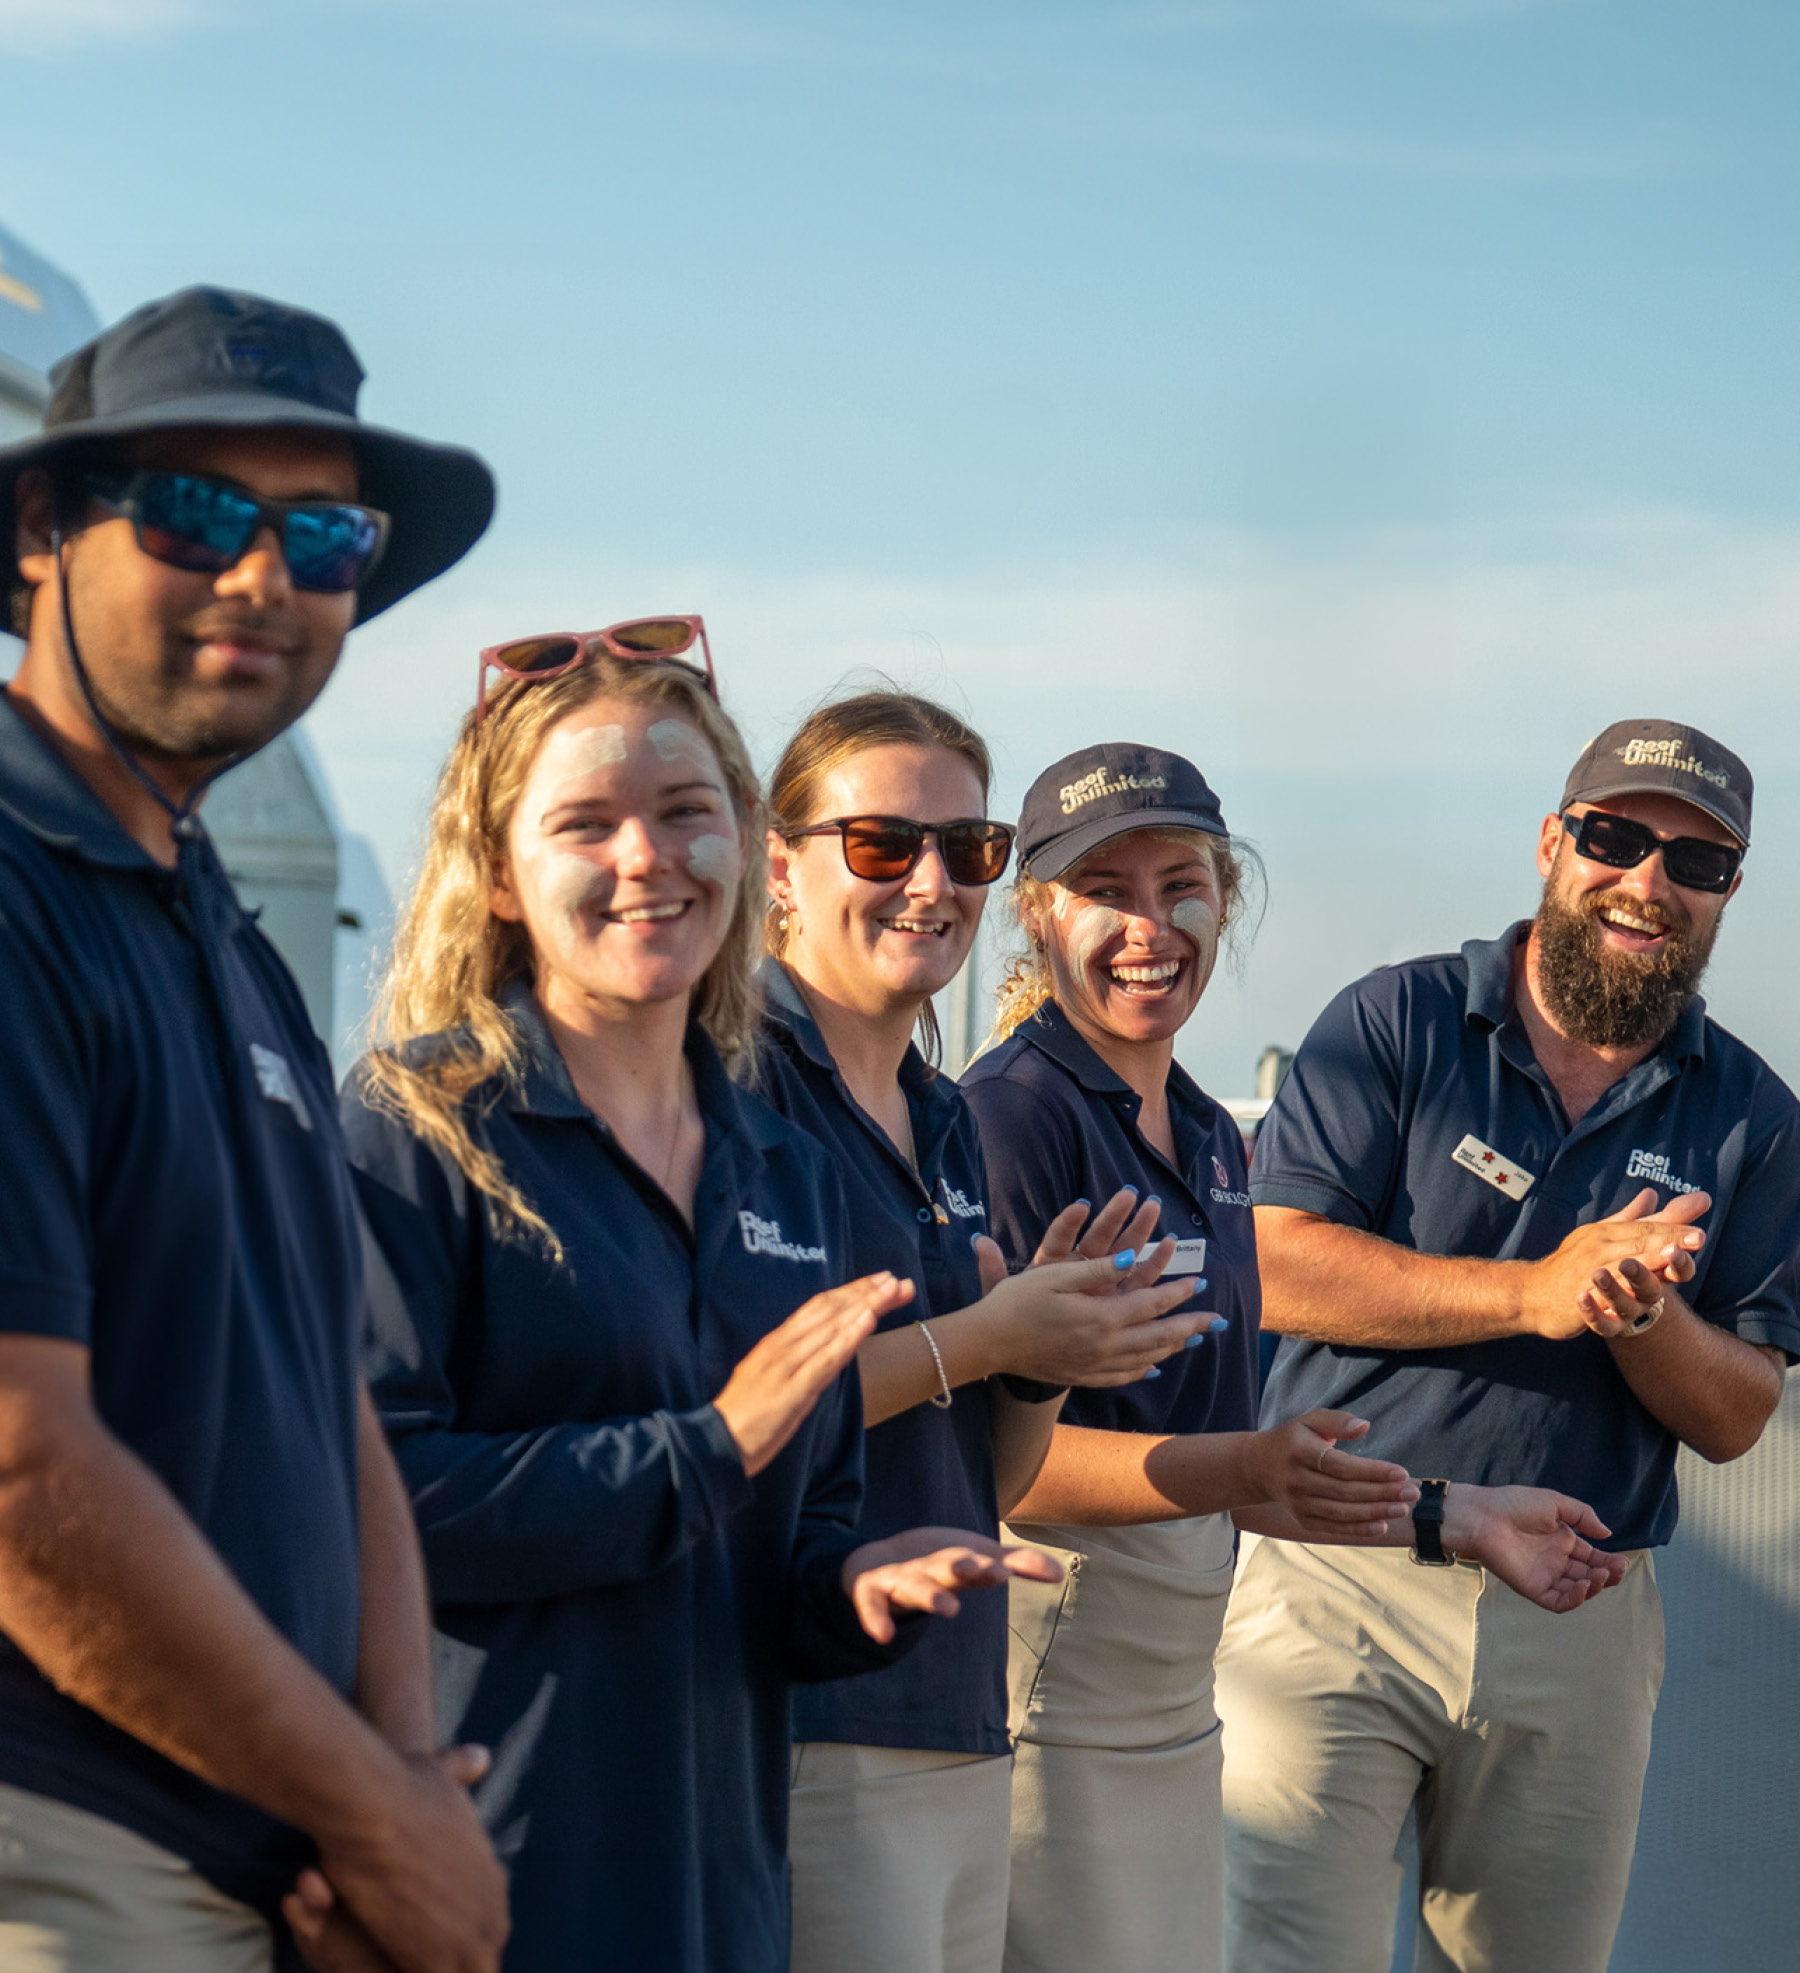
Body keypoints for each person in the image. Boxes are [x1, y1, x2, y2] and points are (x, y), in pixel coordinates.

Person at [341, 638, 1053, 1973]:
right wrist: (707, 1446)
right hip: (491, 1867)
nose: (646, 857)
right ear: (501, 869)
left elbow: (801, 1543)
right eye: (585, 823)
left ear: (740, 845)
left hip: (722, 1883)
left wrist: (861, 1589)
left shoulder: (781, 1164)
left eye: (684, 815)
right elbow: (371, 1507)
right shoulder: (419, 1124)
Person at [0, 287, 507, 1973]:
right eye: (197, 510)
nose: (259, 577)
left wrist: (393, 1793)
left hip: (276, 1859)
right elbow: (18, 1461)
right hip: (67, 1846)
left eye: (324, 532)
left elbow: (330, 1409)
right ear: (39, 532)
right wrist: (378, 1819)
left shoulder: (220, 931)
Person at [961, 741, 1632, 1973]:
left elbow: (1243, 1463)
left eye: (1183, 885)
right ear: (1036, 912)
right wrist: (1244, 1466)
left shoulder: (1213, 1132)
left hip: (1174, 1703)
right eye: (1106, 890)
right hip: (1052, 1692)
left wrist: (1458, 1513)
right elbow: (1001, 1470)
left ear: (1229, 897)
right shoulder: (1010, 1117)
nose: (1149, 927)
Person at [1215, 717, 1799, 1973]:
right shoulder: (1398, 1020)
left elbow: (1737, 1412)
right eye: (1618, 837)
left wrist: (1638, 1312)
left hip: (1580, 1614)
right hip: (1335, 1576)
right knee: (1286, 1954)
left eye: (1695, 864)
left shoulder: (1754, 1110)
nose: (1650, 881)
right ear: (1554, 841)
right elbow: (1273, 1261)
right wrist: (1536, 1290)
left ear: (1728, 893)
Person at [758, 694, 1210, 1973]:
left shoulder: (936, 1111)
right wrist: (982, 1335)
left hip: (959, 1710)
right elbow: (730, 1420)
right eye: (883, 844)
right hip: (809, 1706)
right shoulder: (731, 1089)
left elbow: (996, 1482)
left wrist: (1041, 1359)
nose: (932, 882)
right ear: (779, 863)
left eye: (969, 847)